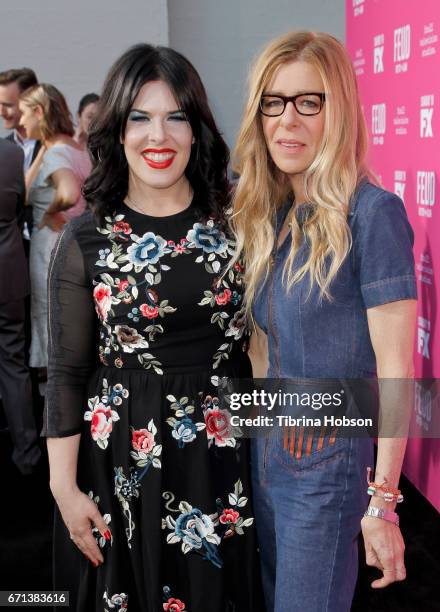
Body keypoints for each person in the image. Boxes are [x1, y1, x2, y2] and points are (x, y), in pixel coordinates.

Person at [44, 44, 262, 611]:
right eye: (140, 118)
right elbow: (66, 376)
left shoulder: (241, 223)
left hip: (226, 455)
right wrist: (63, 489)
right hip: (122, 461)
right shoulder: (85, 239)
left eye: (176, 117)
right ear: (117, 130)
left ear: (197, 130)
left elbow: (262, 345)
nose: (157, 136)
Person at [231, 31, 417, 611]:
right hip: (267, 461)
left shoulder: (372, 213)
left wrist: (382, 503)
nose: (288, 121)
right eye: (274, 102)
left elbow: (395, 367)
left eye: (309, 102)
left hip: (329, 470)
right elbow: (264, 352)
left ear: (338, 112)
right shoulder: (269, 214)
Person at [19, 83, 91, 371]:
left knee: (51, 318)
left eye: (24, 114)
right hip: (72, 244)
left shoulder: (56, 154)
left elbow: (69, 193)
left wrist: (50, 212)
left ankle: (53, 402)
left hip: (50, 246)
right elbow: (24, 192)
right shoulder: (73, 148)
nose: (21, 122)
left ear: (38, 112)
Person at [0, 138, 41, 475]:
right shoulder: (12, 153)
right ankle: (27, 455)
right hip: (9, 271)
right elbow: (17, 211)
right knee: (14, 363)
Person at [0, 68, 41, 244]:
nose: (1, 111)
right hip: (12, 252)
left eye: (8, 105)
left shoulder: (56, 147)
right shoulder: (4, 150)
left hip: (48, 248)